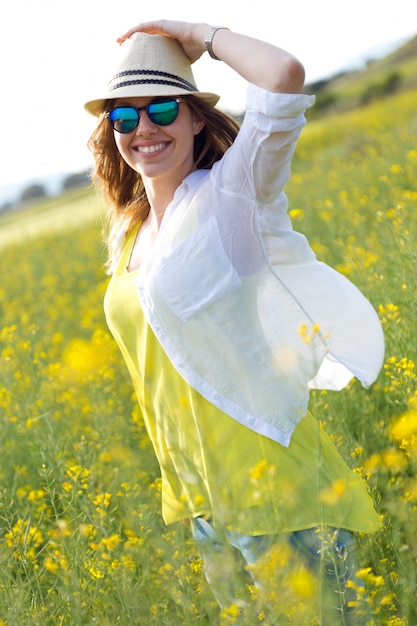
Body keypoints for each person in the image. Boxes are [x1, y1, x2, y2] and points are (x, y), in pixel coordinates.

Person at [85, 19, 385, 624]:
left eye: (163, 107)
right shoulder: (129, 231)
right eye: (124, 117)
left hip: (277, 490)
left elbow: (282, 78)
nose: (144, 128)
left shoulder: (233, 198)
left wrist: (202, 36)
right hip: (203, 499)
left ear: (197, 117)